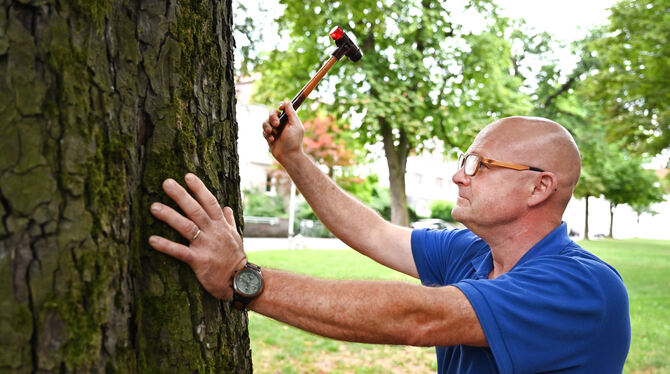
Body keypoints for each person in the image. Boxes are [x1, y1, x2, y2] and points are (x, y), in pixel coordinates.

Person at [148, 101, 631, 373]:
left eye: (478, 165)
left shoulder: (585, 290)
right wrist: (294, 158)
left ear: (539, 187)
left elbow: (415, 318)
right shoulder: (472, 253)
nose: (459, 177)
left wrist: (240, 279)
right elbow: (373, 232)